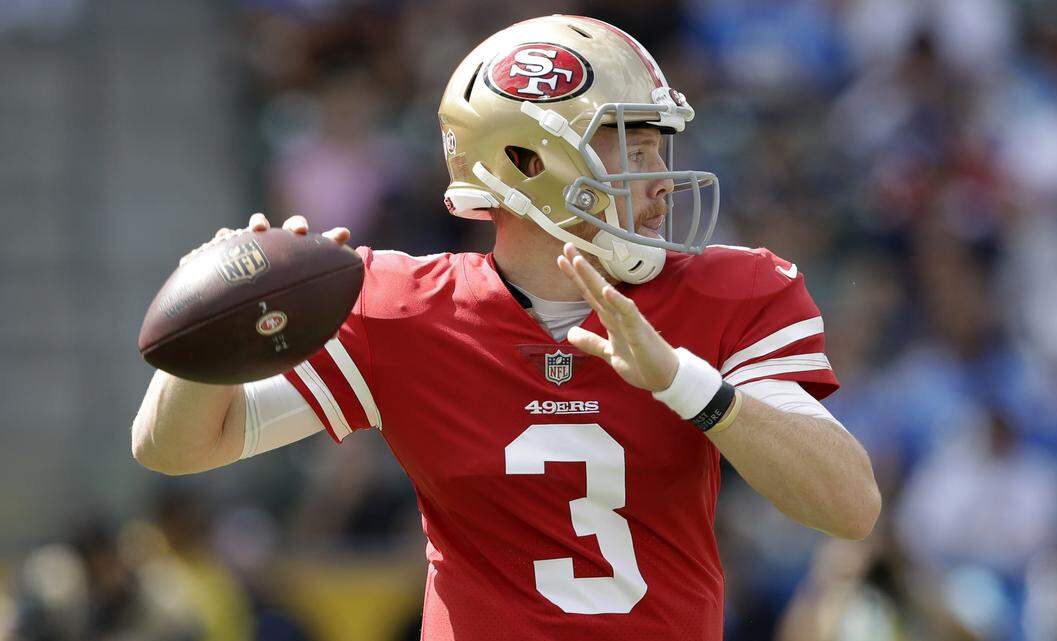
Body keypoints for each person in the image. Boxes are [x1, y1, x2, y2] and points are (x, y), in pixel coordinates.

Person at [132, 15, 880, 640]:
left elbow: (849, 505)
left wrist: (687, 383)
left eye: (661, 145)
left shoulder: (726, 292)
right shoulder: (403, 307)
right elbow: (175, 447)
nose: (660, 180)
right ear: (527, 162)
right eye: (635, 145)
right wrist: (230, 320)